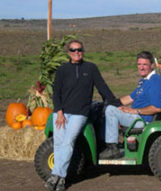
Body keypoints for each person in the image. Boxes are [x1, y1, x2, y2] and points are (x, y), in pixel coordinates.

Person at [44, 40, 116, 191]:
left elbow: (103, 87)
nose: (77, 52)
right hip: (62, 113)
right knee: (58, 143)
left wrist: (116, 103)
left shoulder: (91, 68)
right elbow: (56, 93)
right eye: (73, 50)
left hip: (80, 114)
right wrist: (59, 112)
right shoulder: (62, 70)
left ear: (83, 51)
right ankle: (59, 179)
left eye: (79, 49)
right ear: (69, 52)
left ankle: (58, 176)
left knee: (68, 142)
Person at [99, 51, 161, 159]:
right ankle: (104, 143)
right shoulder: (144, 81)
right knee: (108, 108)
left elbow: (157, 108)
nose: (141, 67)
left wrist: (134, 111)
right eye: (139, 64)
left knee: (110, 111)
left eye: (144, 64)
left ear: (152, 65)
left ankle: (112, 149)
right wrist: (112, 103)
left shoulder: (155, 81)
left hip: (142, 120)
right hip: (136, 116)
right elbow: (130, 98)